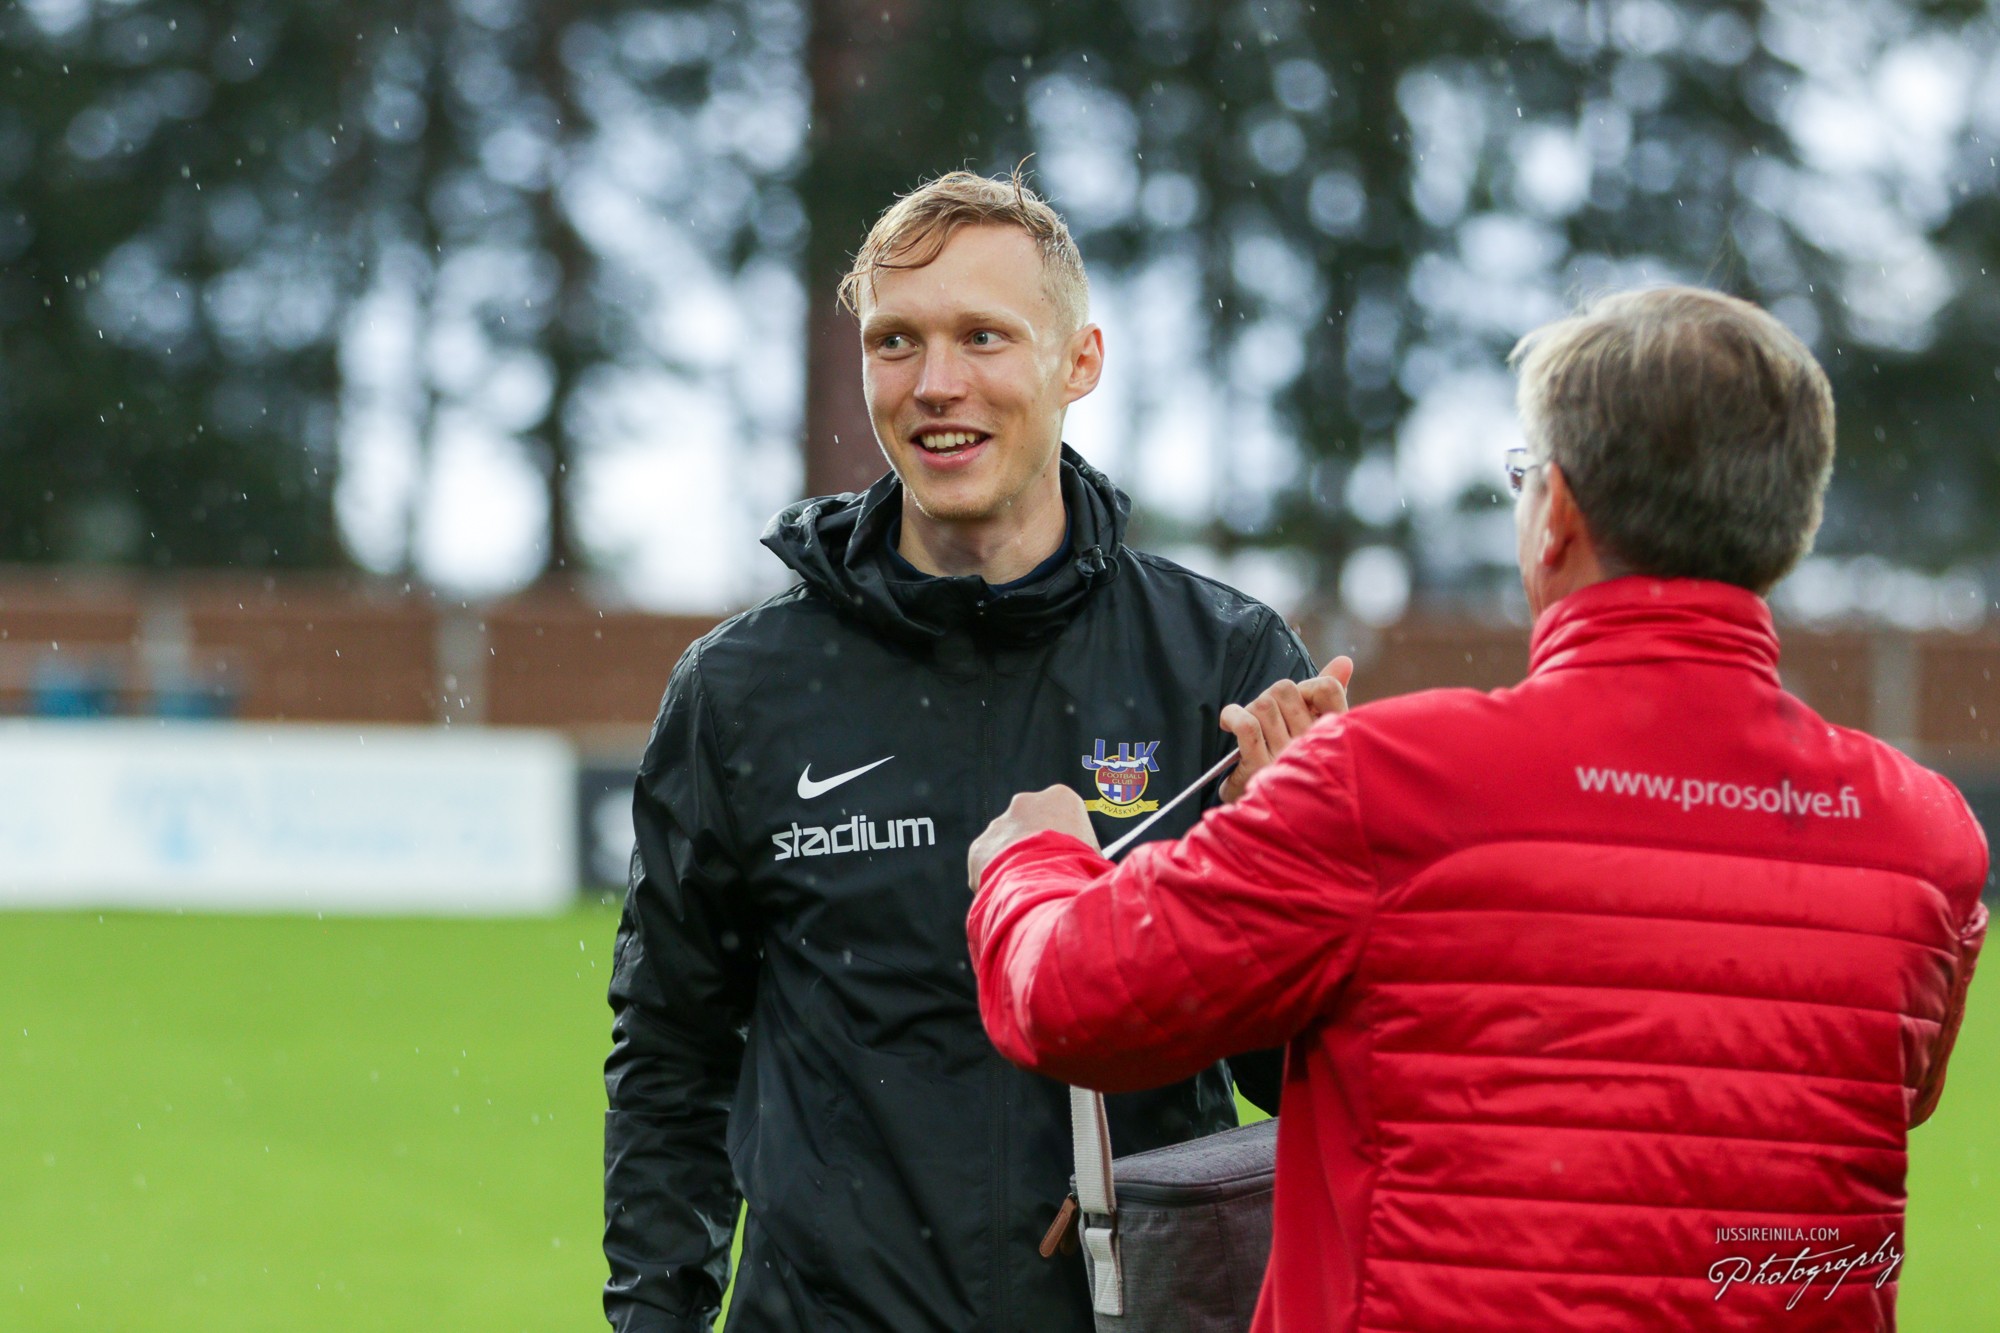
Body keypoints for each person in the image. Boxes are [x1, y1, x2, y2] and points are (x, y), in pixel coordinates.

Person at [968, 286, 1989, 1330]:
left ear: (1560, 513)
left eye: (1522, 476)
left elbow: (1071, 997)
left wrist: (1035, 858)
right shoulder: (1923, 836)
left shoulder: (1387, 785)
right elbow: (1848, 1084)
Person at [602, 169, 1348, 1332]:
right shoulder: (741, 689)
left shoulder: (1221, 663)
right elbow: (669, 1054)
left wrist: (1278, 872)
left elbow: (1297, 1076)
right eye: (894, 341)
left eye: (982, 337)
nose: (934, 383)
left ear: (1078, 361)